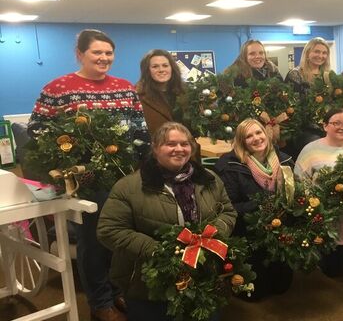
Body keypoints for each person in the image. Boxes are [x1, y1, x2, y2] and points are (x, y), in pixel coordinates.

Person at [28, 29, 147, 321]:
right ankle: (100, 301)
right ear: (79, 54)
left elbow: (140, 130)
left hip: (125, 176)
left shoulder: (125, 87)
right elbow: (37, 130)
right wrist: (65, 158)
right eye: (97, 52)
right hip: (85, 179)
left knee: (122, 237)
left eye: (109, 53)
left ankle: (117, 288)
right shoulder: (59, 88)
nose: (104, 58)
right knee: (94, 240)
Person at [97, 122, 236, 321]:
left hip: (203, 276)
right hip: (149, 284)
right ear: (155, 148)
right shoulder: (129, 187)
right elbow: (108, 230)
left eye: (185, 144)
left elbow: (228, 212)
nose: (179, 149)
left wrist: (210, 236)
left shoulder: (209, 179)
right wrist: (158, 251)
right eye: (170, 144)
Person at [213, 119, 294, 299]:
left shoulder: (285, 159)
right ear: (241, 141)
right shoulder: (230, 166)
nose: (256, 138)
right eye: (249, 136)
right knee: (256, 294)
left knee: (282, 286)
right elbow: (229, 207)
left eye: (259, 133)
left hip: (280, 229)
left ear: (266, 134)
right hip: (249, 234)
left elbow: (295, 192)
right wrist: (262, 203)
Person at [294, 109, 343, 277]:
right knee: (333, 271)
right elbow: (300, 181)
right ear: (325, 126)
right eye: (336, 123)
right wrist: (313, 205)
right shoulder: (310, 150)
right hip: (328, 219)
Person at [284, 37, 333, 158]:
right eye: (316, 51)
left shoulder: (328, 76)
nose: (320, 55)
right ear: (307, 53)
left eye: (324, 53)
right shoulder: (295, 74)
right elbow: (292, 106)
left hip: (326, 127)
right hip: (304, 129)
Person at [136, 49, 186, 135]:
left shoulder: (186, 93)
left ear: (172, 68)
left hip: (185, 147)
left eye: (165, 65)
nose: (161, 70)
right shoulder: (138, 96)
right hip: (155, 147)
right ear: (147, 71)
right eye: (155, 66)